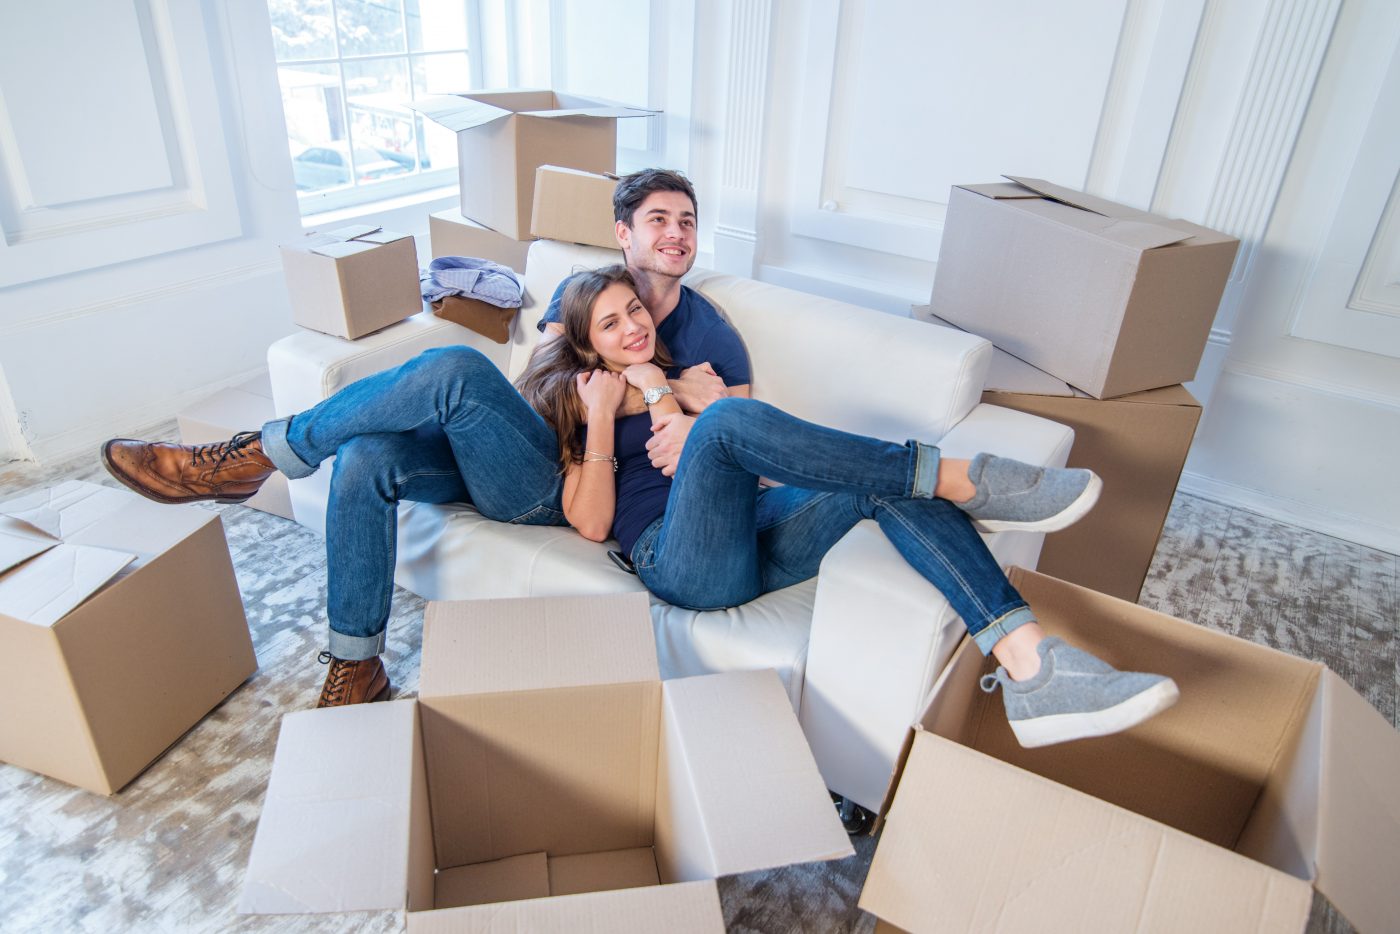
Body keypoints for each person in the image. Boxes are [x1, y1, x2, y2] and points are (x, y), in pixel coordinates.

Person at [99, 169, 750, 708]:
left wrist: (667, 392)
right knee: (366, 455)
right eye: (658, 219)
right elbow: (551, 390)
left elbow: (730, 433)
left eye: (687, 221)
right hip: (519, 445)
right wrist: (659, 385)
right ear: (624, 234)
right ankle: (357, 667)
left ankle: (254, 456)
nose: (674, 234)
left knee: (457, 369)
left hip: (560, 479)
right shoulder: (591, 292)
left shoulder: (712, 335)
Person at [515, 265, 1179, 748]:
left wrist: (676, 390)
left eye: (634, 309)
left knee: (872, 480)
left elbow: (756, 455)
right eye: (610, 322)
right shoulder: (582, 396)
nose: (633, 326)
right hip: (680, 559)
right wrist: (610, 415)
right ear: (584, 343)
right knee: (727, 424)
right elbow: (594, 522)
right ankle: (961, 478)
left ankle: (1033, 666)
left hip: (759, 528)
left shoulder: (693, 375)